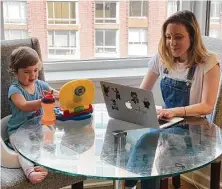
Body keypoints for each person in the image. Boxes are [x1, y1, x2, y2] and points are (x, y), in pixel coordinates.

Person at [125, 10, 220, 189]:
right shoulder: (161, 58)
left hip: (195, 131)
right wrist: (126, 103)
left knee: (149, 142)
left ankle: (128, 183)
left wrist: (174, 111)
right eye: (168, 37)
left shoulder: (208, 62)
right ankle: (129, 182)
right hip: (167, 123)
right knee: (126, 136)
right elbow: (142, 92)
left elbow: (207, 106)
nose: (171, 43)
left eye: (178, 37)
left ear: (192, 37)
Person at [7, 46, 59, 184]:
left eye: (35, 70)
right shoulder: (14, 89)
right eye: (27, 72)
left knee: (50, 138)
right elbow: (24, 106)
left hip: (38, 126)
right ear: (15, 71)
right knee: (23, 147)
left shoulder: (41, 85)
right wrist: (43, 101)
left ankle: (45, 164)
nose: (33, 75)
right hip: (18, 130)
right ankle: (29, 171)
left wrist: (62, 95)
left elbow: (54, 93)